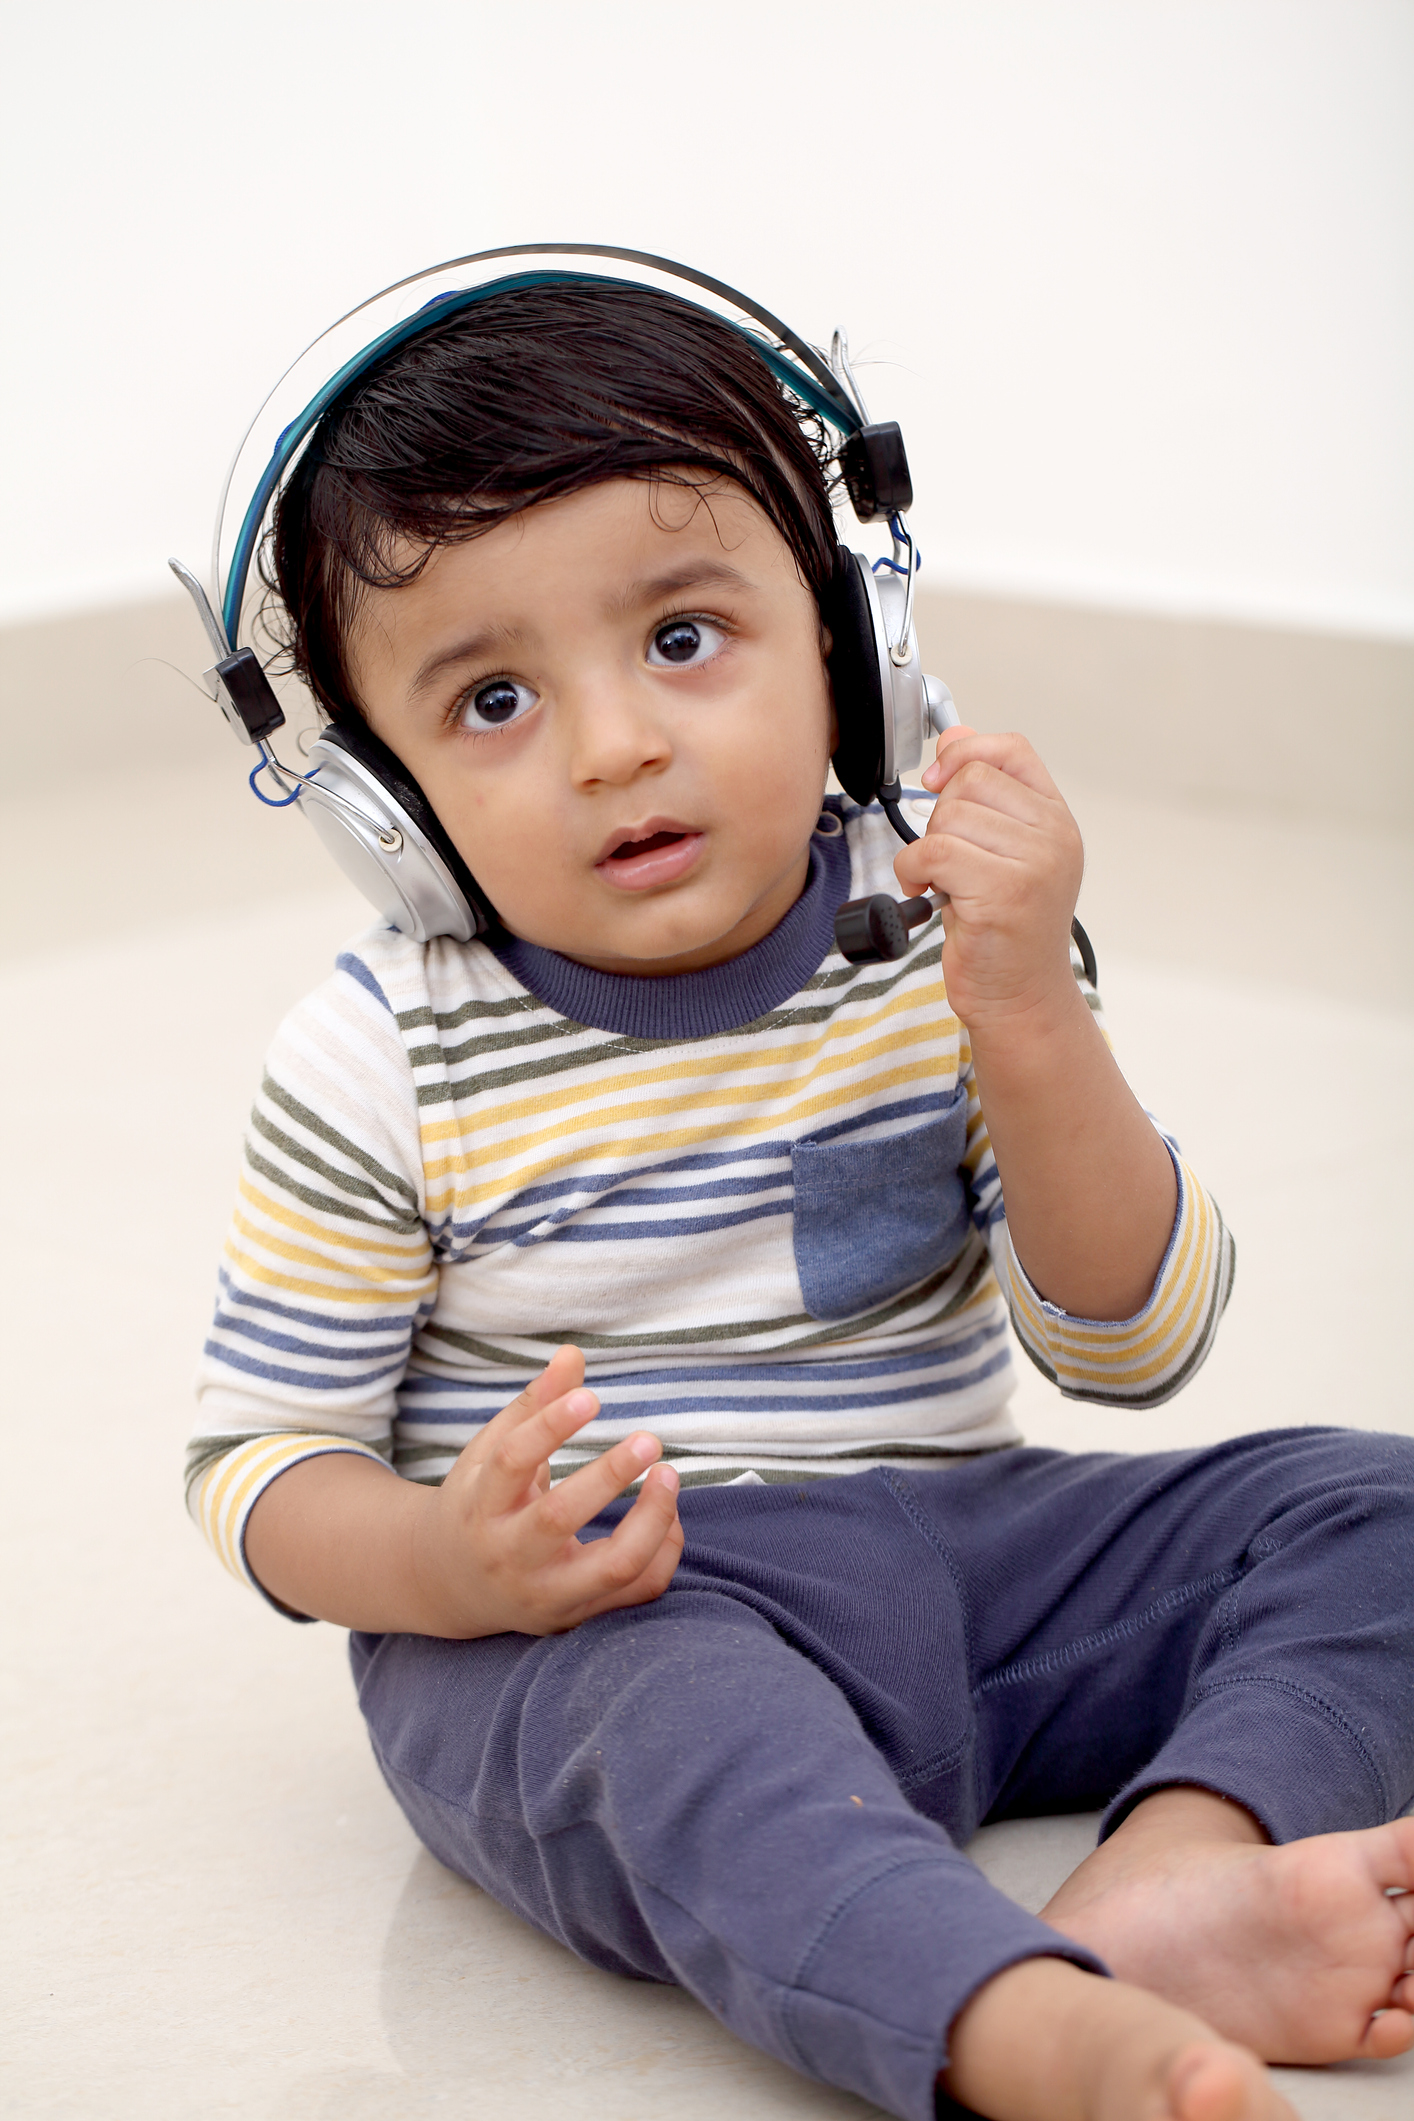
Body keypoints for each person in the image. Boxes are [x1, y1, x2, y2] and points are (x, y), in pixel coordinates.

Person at [187, 279, 1414, 2121]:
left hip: (964, 1549)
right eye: (495, 697)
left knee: (1370, 1512)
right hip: (603, 1619)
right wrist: (452, 1563)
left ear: (855, 647)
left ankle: (1168, 1875)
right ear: (383, 801)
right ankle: (1015, 2024)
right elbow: (259, 1471)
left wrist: (1028, 1016)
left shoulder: (935, 933)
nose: (611, 745)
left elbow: (1131, 1340)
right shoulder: (381, 1056)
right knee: (679, 1734)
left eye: (684, 636)